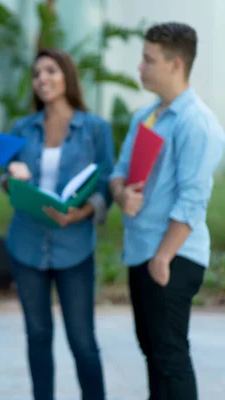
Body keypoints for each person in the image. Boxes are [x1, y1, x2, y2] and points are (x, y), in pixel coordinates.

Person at [109, 22, 225, 400]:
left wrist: (163, 256)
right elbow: (118, 174)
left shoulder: (198, 124)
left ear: (176, 64)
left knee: (171, 358)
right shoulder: (147, 117)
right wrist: (122, 194)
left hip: (171, 257)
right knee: (154, 354)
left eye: (148, 60)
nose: (140, 68)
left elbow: (194, 199)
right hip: (142, 251)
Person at [3, 49, 114, 400]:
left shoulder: (95, 128)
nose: (43, 79)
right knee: (37, 336)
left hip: (74, 246)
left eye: (51, 70)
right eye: (37, 74)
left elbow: (107, 181)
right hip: (27, 244)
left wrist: (81, 213)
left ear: (66, 74)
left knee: (82, 340)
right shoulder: (23, 128)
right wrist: (12, 178)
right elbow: (7, 181)